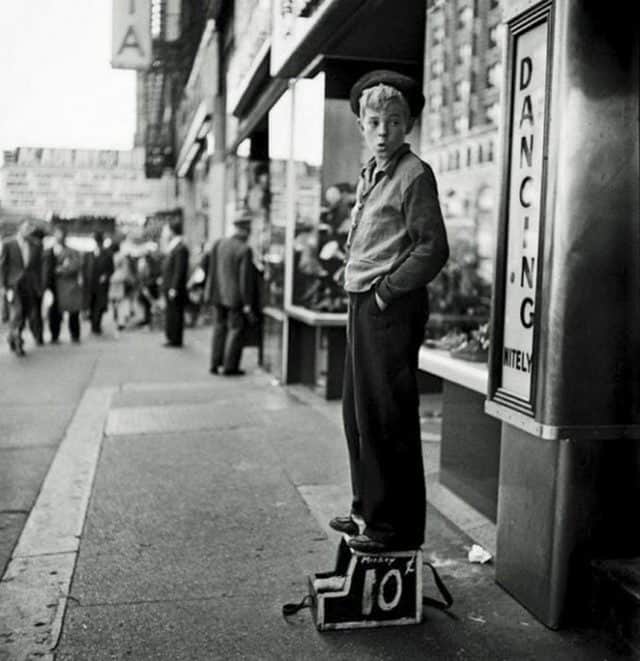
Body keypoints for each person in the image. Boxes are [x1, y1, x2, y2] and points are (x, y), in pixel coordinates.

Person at [329, 70, 449, 554]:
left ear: (408, 125)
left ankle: (392, 527)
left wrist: (385, 291)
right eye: (375, 120)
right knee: (356, 412)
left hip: (388, 307)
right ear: (361, 123)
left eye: (395, 121)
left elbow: (433, 248)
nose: (384, 130)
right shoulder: (371, 175)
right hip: (365, 303)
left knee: (386, 417)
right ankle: (366, 509)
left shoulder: (414, 174)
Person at [204, 211, 256, 375]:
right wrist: (247, 303)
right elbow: (244, 280)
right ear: (246, 231)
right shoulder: (244, 249)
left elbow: (211, 271)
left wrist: (209, 293)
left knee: (219, 327)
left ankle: (215, 363)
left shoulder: (219, 243)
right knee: (235, 330)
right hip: (234, 298)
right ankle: (230, 366)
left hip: (217, 294)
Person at [0, 218, 44, 355]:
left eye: (30, 228)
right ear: (19, 228)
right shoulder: (8, 243)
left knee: (25, 313)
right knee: (17, 312)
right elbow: (2, 266)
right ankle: (18, 342)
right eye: (26, 227)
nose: (28, 230)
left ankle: (12, 336)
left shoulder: (36, 245)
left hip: (29, 285)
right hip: (13, 285)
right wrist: (2, 286)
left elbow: (38, 268)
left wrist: (39, 286)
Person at [43, 225, 84, 343]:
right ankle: (54, 336)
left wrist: (60, 270)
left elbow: (75, 265)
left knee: (73, 311)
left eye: (61, 233)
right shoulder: (48, 251)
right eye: (57, 233)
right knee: (54, 312)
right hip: (53, 286)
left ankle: (75, 335)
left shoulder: (72, 251)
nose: (59, 236)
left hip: (69, 286)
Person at [161, 217, 189, 347]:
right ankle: (172, 337)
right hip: (170, 286)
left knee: (175, 312)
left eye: (167, 230)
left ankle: (175, 338)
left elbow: (179, 270)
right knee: (172, 312)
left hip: (174, 287)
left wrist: (174, 287)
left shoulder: (180, 248)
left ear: (172, 231)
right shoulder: (174, 247)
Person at [83, 231, 114, 335]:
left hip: (101, 285)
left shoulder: (108, 254)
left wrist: (106, 276)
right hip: (90, 284)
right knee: (91, 304)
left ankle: (97, 325)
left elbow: (111, 269)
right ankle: (93, 324)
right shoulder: (88, 255)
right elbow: (84, 269)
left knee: (99, 305)